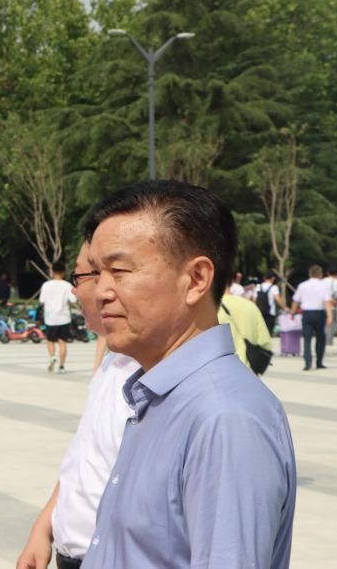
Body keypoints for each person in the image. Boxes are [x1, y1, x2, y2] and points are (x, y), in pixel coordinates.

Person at [80, 180, 296, 569]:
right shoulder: (159, 396)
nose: (100, 292)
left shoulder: (224, 418)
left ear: (196, 279)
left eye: (119, 270)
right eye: (96, 273)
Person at [16, 243, 140, 569]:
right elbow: (86, 457)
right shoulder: (113, 365)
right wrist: (45, 525)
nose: (75, 291)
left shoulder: (157, 380)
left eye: (81, 277)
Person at [292, 265, 334, 370]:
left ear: (310, 274)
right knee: (320, 337)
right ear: (320, 274)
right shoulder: (324, 286)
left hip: (306, 313)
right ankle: (319, 362)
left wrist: (292, 312)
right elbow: (327, 302)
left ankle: (308, 363)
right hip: (319, 313)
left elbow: (296, 300)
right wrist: (330, 316)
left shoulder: (302, 285)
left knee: (307, 339)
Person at [218, 291, 273, 369]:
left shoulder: (211, 307)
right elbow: (265, 342)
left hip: (222, 368)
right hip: (248, 369)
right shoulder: (250, 306)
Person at [39, 264, 77, 374]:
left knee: (50, 341)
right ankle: (61, 366)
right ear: (63, 272)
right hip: (64, 318)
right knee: (62, 342)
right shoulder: (67, 285)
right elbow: (73, 300)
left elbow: (42, 300)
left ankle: (52, 357)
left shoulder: (46, 285)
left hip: (50, 318)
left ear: (52, 271)